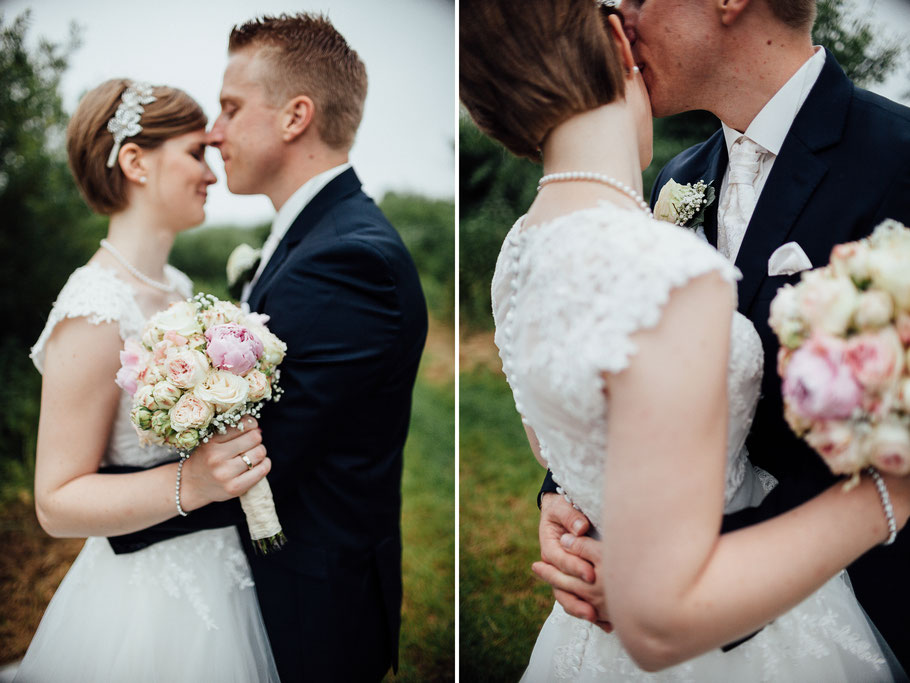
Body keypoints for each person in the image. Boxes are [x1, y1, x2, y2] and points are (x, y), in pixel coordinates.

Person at [460, 0, 909, 679]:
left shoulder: (897, 158)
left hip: (852, 603)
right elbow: (617, 367)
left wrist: (656, 566)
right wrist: (571, 499)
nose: (624, 17)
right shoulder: (674, 183)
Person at [101, 14, 428, 681]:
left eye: (230, 108)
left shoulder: (347, 260)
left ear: (295, 116)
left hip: (311, 608)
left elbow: (264, 455)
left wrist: (102, 506)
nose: (213, 133)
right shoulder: (311, 238)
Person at [16, 79, 280, 682]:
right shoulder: (93, 308)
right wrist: (195, 480)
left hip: (225, 573)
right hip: (145, 601)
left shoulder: (180, 288)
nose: (211, 174)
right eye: (195, 153)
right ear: (135, 162)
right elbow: (56, 503)